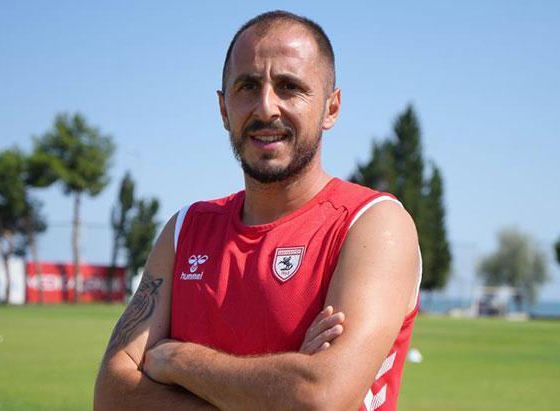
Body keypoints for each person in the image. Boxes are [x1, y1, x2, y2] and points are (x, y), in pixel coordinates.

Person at [94, 10, 421, 410]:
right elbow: (111, 395)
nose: (266, 108)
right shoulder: (184, 231)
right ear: (223, 109)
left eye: (289, 87)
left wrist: (179, 360)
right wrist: (279, 387)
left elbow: (320, 397)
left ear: (331, 108)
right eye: (248, 86)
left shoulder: (371, 223)